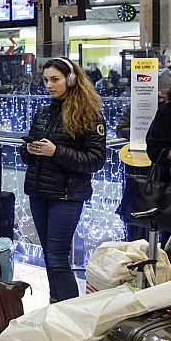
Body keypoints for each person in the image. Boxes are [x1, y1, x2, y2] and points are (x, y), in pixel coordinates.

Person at [20, 57, 106, 302]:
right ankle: (55, 304)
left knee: (57, 255)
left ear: (70, 79)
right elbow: (29, 147)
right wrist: (29, 150)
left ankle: (71, 313)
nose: (49, 85)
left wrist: (56, 152)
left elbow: (95, 160)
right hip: (39, 191)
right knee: (49, 254)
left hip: (67, 195)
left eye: (55, 79)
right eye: (46, 80)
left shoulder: (90, 115)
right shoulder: (44, 112)